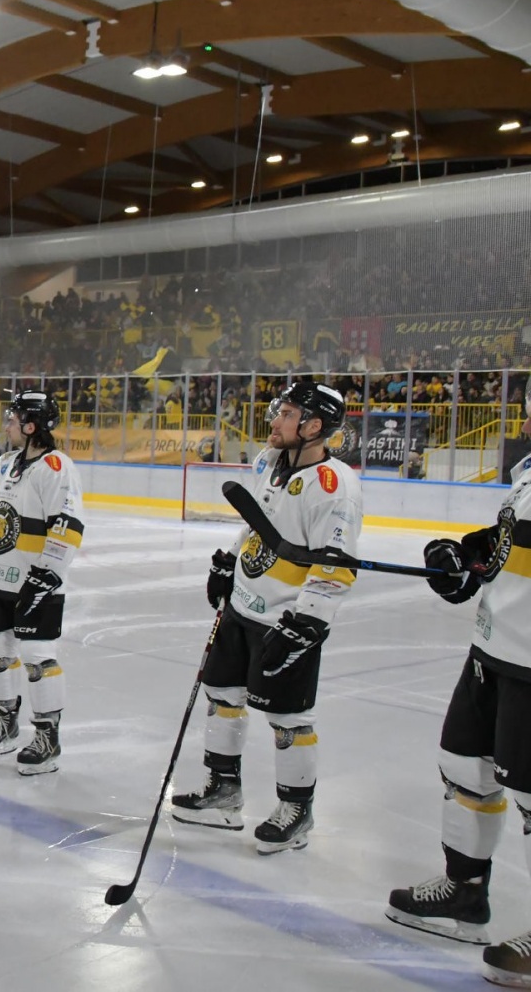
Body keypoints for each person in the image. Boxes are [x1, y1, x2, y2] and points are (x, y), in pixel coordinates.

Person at [172, 382, 362, 854]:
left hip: (285, 618)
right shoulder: (269, 462)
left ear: (314, 426)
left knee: (288, 718)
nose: (274, 419)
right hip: (243, 605)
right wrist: (228, 561)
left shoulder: (335, 487)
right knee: (223, 696)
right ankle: (223, 792)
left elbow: (334, 568)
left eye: (287, 412)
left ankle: (297, 810)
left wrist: (306, 623)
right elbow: (259, 526)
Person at [385, 404, 531, 984]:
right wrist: (465, 560)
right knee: (465, 764)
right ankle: (465, 896)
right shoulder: (529, 471)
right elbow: (506, 543)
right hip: (495, 648)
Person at [0, 392, 85, 775]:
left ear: (31, 426)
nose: (7, 425)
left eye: (13, 419)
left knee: (37, 657)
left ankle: (47, 737)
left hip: (35, 582)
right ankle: (5, 721)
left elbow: (67, 526)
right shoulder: (3, 465)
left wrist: (47, 575)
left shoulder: (56, 467)